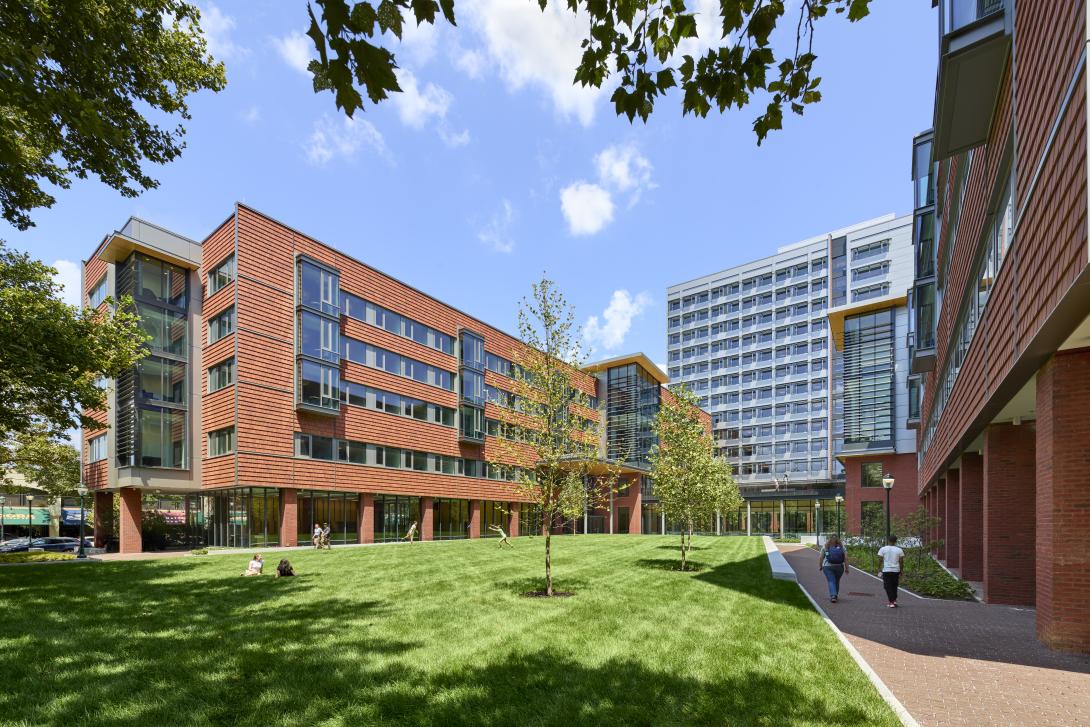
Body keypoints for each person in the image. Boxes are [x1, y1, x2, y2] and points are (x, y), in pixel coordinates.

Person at [878, 535, 906, 608]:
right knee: (894, 585)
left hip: (886, 570)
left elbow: (880, 560)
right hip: (896, 570)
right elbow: (901, 561)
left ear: (888, 540)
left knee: (887, 586)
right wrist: (901, 571)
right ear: (896, 541)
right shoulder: (899, 550)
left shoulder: (883, 549)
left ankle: (891, 602)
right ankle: (894, 600)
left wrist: (879, 568)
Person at [818, 534, 848, 603]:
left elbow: (821, 557)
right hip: (839, 567)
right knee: (837, 581)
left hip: (827, 566)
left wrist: (820, 566)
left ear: (829, 539)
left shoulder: (826, 546)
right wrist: (847, 568)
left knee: (831, 581)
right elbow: (846, 558)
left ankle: (833, 596)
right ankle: (835, 595)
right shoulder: (842, 547)